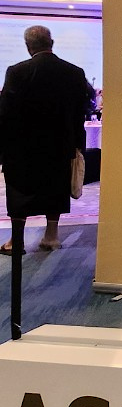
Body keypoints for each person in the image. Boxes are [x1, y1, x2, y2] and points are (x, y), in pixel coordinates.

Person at [0, 25, 92, 253]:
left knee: (19, 191)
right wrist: (77, 144)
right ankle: (51, 236)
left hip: (23, 147)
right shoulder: (74, 72)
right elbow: (83, 109)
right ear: (51, 43)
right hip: (61, 144)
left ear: (28, 46)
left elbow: (5, 113)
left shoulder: (16, 71)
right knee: (56, 188)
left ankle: (16, 241)